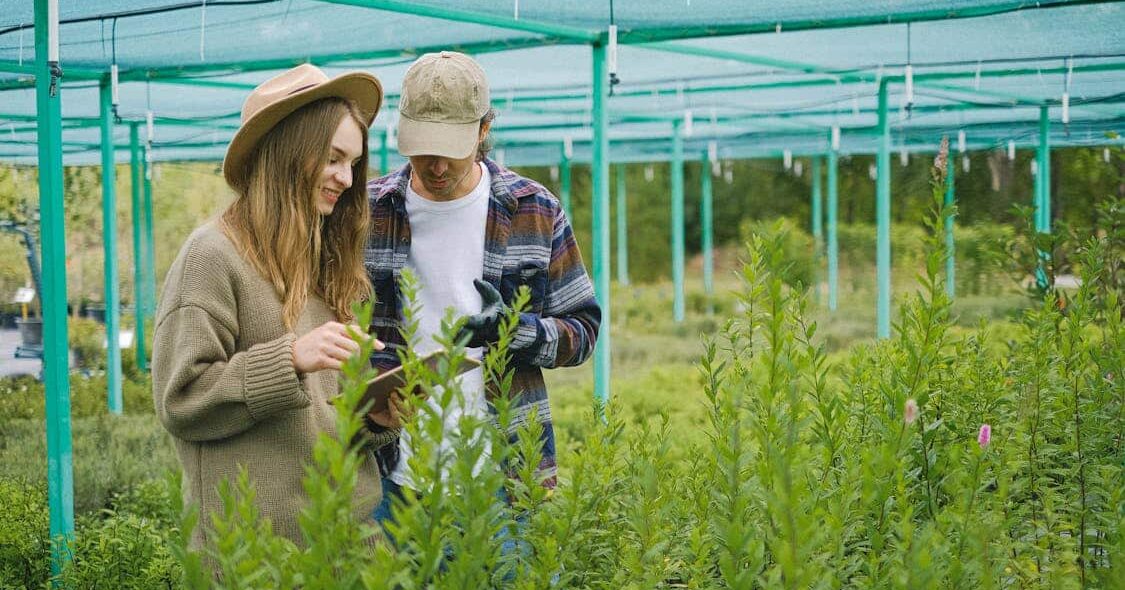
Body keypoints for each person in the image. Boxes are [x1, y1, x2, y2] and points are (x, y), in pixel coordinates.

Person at [152, 64, 399, 549]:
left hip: (350, 543)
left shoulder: (328, 263)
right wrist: (289, 359)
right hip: (261, 554)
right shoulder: (212, 256)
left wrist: (373, 418)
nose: (347, 178)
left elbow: (321, 419)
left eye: (353, 162)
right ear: (289, 152)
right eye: (333, 158)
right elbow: (181, 401)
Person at [365, 51, 601, 525]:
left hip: (504, 476)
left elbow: (583, 331)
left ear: (483, 129)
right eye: (423, 149)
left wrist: (514, 330)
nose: (436, 166)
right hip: (390, 473)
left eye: (450, 150)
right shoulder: (369, 211)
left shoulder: (534, 210)